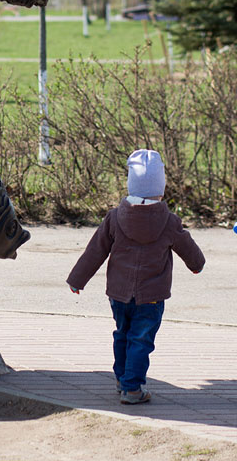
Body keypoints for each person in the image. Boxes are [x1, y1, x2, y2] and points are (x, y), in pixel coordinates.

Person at [67, 149, 205, 405]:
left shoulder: (114, 218)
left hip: (118, 294)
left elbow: (95, 250)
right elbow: (187, 247)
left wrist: (78, 279)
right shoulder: (169, 221)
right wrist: (197, 264)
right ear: (160, 189)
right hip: (151, 296)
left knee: (122, 333)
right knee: (141, 338)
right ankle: (132, 387)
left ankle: (122, 378)